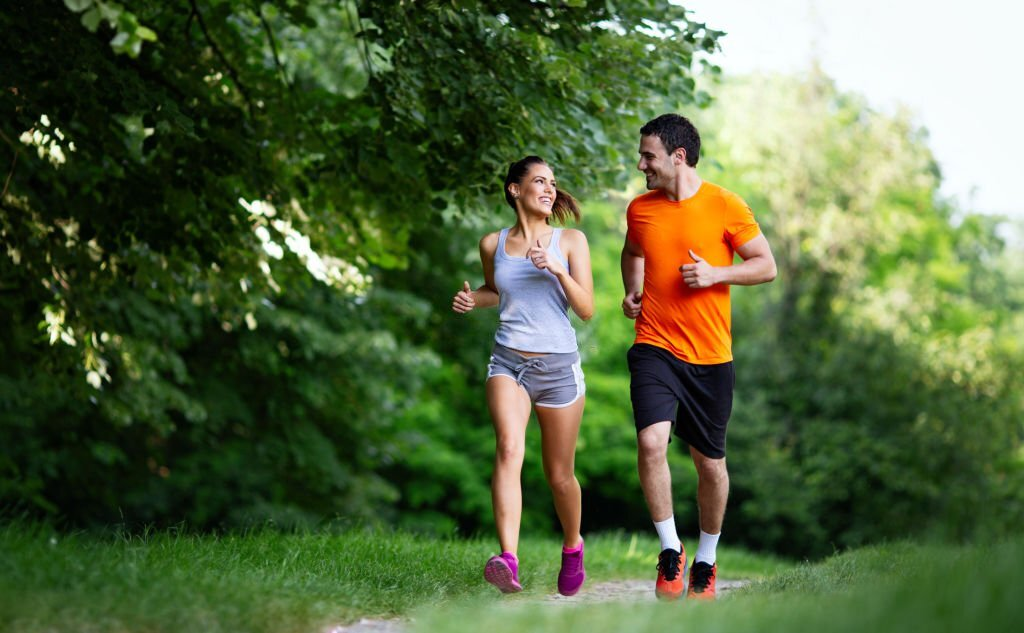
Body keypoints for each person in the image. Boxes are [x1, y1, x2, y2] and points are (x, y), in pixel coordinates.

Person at [620, 114, 777, 601]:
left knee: (709, 466)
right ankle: (670, 550)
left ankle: (705, 558)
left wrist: (715, 275)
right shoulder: (640, 210)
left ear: (678, 156)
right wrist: (633, 290)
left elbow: (765, 266)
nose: (641, 163)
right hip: (655, 346)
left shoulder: (726, 205)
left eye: (648, 155)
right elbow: (632, 252)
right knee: (651, 444)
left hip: (711, 357)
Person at [452, 156, 594, 596]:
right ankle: (507, 558)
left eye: (552, 182)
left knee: (559, 476)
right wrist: (474, 299)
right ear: (515, 190)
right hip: (508, 361)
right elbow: (497, 290)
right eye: (539, 181)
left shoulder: (569, 240)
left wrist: (555, 268)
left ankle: (572, 546)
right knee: (509, 448)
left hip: (559, 369)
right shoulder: (492, 244)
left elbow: (587, 309)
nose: (549, 189)